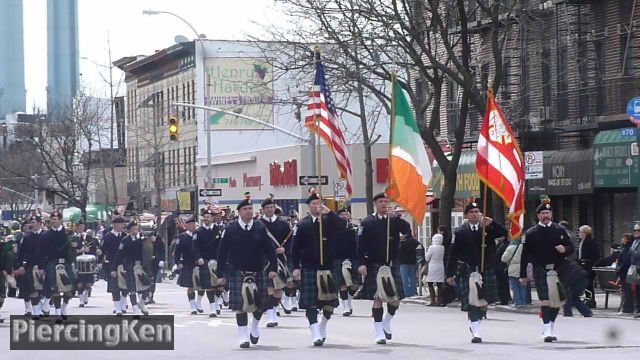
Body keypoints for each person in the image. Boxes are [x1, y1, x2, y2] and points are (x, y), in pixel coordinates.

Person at [216, 196, 278, 349]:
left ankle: (255, 326)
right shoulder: (230, 229)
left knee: (260, 304)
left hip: (258, 270)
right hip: (238, 271)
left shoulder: (260, 227)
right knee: (240, 306)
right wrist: (220, 274)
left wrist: (274, 269)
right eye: (245, 209)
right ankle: (243, 336)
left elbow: (270, 249)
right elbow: (222, 252)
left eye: (250, 208)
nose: (249, 211)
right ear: (239, 212)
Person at [291, 190, 347, 346]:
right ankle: (315, 331)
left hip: (329, 265)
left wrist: (329, 212)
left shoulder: (330, 221)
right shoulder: (302, 225)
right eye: (314, 204)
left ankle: (323, 324)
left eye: (319, 203)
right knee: (311, 302)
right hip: (310, 266)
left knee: (329, 302)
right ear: (309, 206)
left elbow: (343, 225)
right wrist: (296, 267)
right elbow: (294, 249)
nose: (317, 206)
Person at [446, 201, 507, 343]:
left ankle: (476, 324)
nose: (475, 214)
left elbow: (504, 234)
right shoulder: (460, 232)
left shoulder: (487, 229)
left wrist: (492, 223)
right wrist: (450, 274)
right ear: (466, 215)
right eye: (472, 212)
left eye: (477, 212)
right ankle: (476, 332)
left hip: (486, 269)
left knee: (483, 302)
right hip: (469, 270)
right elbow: (453, 254)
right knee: (472, 301)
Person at [357, 192, 411, 345]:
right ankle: (379, 331)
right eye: (380, 201)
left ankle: (387, 321)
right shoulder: (367, 222)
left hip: (392, 263)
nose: (384, 204)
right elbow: (360, 245)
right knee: (378, 298)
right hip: (375, 263)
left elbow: (407, 230)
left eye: (386, 201)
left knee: (395, 300)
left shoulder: (393, 220)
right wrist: (360, 263)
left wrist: (395, 217)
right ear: (375, 204)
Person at [520, 201, 575, 342]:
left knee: (556, 302)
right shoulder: (531, 233)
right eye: (543, 213)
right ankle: (547, 331)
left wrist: (565, 249)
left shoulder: (560, 230)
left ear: (551, 214)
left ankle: (550, 326)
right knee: (545, 300)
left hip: (558, 269)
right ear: (538, 215)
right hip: (540, 269)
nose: (546, 215)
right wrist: (523, 274)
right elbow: (524, 255)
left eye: (548, 213)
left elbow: (571, 247)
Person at [39, 211, 76, 322]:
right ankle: (58, 313)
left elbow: (76, 245)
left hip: (66, 263)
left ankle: (64, 307)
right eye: (52, 219)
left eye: (55, 219)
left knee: (70, 288)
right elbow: (41, 251)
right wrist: (42, 267)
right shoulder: (46, 235)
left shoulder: (68, 233)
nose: (53, 221)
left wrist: (75, 245)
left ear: (60, 220)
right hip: (52, 262)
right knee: (54, 288)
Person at [111, 222, 151, 316]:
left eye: (136, 228)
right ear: (129, 230)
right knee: (132, 289)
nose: (135, 230)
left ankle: (141, 303)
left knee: (147, 286)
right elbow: (119, 255)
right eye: (133, 229)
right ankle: (135, 308)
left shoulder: (141, 240)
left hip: (140, 267)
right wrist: (114, 268)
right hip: (128, 267)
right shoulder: (125, 240)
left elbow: (145, 253)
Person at [194, 208, 223, 317]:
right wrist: (199, 257)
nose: (206, 219)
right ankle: (213, 308)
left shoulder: (219, 230)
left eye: (208, 217)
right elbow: (195, 247)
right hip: (204, 260)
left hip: (217, 260)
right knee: (209, 286)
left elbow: (223, 246)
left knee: (219, 285)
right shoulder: (198, 231)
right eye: (205, 217)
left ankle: (217, 302)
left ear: (212, 218)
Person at [99, 217, 127, 315]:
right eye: (120, 223)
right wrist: (99, 262)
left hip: (124, 264)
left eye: (123, 224)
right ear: (114, 224)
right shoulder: (107, 237)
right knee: (114, 287)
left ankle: (123, 303)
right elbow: (102, 250)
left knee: (125, 285)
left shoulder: (125, 236)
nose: (122, 226)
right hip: (111, 264)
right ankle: (117, 306)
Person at [14, 216, 41, 317]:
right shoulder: (25, 237)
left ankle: (42, 307)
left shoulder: (45, 235)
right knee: (28, 288)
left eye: (33, 222)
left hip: (42, 265)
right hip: (29, 265)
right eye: (30, 223)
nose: (30, 225)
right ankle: (31, 310)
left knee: (42, 290)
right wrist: (20, 265)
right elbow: (20, 253)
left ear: (39, 223)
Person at [334, 208, 359, 316]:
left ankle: (348, 300)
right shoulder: (333, 229)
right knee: (342, 284)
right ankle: (345, 306)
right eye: (341, 214)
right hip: (337, 258)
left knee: (354, 284)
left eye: (346, 214)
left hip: (352, 258)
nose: (344, 216)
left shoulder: (355, 228)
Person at [175, 217, 201, 314]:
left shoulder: (199, 235)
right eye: (190, 224)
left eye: (194, 224)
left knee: (201, 287)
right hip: (187, 264)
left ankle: (198, 302)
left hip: (199, 263)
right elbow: (177, 252)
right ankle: (193, 306)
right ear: (187, 226)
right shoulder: (182, 237)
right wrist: (178, 263)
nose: (193, 226)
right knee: (190, 286)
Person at [577, 225, 599, 308]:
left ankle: (591, 301)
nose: (579, 233)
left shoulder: (590, 242)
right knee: (585, 284)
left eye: (580, 232)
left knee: (589, 284)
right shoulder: (582, 241)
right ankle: (588, 299)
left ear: (585, 233)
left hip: (588, 265)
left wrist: (591, 265)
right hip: (583, 265)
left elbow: (594, 255)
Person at [75, 228, 97, 307]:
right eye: (79, 226)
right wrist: (81, 250)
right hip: (78, 265)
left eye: (81, 226)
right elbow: (71, 251)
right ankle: (81, 301)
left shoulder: (90, 239)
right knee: (79, 284)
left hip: (89, 266)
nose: (80, 228)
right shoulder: (75, 238)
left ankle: (86, 293)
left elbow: (94, 250)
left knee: (88, 284)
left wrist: (90, 250)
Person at [501, 238, 526, 307]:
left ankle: (517, 302)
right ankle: (523, 302)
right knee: (522, 285)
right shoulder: (524, 246)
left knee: (515, 286)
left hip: (513, 268)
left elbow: (504, 259)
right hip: (523, 267)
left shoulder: (510, 247)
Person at [142, 232, 165, 305]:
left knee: (153, 280)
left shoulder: (158, 239)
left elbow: (162, 250)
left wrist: (161, 259)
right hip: (145, 263)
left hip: (155, 263)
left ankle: (151, 296)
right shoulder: (143, 239)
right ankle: (145, 296)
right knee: (145, 279)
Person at [424, 232, 445, 306]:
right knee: (439, 283)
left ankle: (433, 300)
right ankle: (439, 299)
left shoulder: (432, 247)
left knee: (430, 283)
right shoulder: (442, 247)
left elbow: (427, 258)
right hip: (440, 266)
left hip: (432, 266)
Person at [399, 230, 420, 298]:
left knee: (404, 278)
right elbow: (420, 248)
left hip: (403, 262)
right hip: (413, 261)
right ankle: (413, 292)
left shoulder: (402, 243)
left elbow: (399, 252)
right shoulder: (415, 242)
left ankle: (406, 293)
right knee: (412, 277)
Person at [617, 233, 635, 314]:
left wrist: (619, 270)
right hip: (627, 273)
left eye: (623, 238)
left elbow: (625, 262)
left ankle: (627, 309)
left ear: (627, 240)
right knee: (627, 290)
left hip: (625, 273)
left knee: (626, 291)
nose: (622, 240)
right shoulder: (628, 248)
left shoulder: (626, 250)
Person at [495, 236, 512, 305]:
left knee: (503, 284)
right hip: (498, 267)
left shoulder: (506, 245)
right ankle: (504, 298)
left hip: (502, 267)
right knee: (501, 284)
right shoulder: (499, 244)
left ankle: (504, 299)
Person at [630, 224, 640, 318]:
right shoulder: (635, 241)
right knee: (636, 289)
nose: (636, 232)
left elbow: (637, 255)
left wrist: (630, 250)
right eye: (635, 230)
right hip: (635, 268)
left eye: (638, 230)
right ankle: (637, 309)